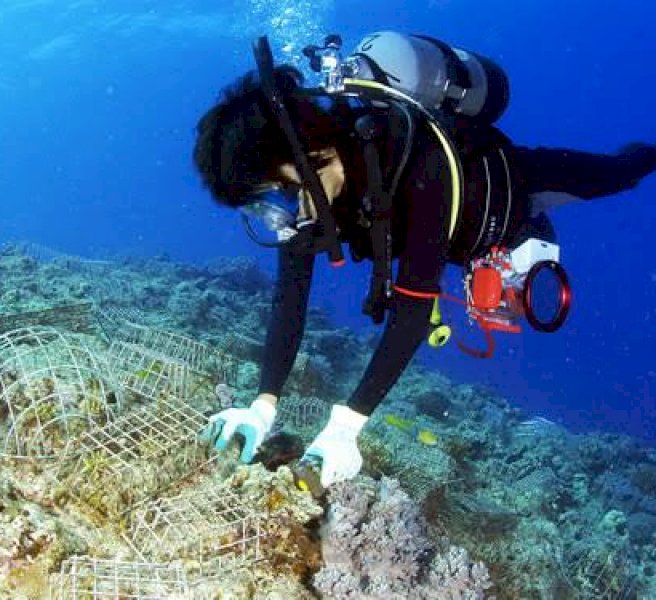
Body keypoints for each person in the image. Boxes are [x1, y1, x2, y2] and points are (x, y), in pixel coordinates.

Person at [193, 31, 656, 493]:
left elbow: (413, 311)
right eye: (263, 206)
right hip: (450, 241)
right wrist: (261, 406)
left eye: (279, 195)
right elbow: (288, 305)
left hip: (511, 193)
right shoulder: (307, 204)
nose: (281, 216)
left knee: (619, 174)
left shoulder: (418, 163)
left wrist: (345, 429)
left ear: (316, 155)